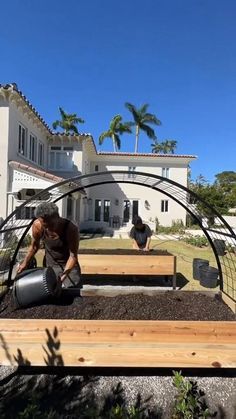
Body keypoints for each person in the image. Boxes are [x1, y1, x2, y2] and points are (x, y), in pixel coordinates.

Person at [17, 202, 81, 291]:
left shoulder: (71, 228)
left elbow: (73, 256)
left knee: (69, 290)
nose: (48, 229)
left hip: (69, 266)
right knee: (47, 289)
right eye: (45, 226)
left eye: (51, 225)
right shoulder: (37, 225)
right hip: (50, 265)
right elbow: (34, 246)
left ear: (58, 217)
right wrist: (25, 263)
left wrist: (62, 279)